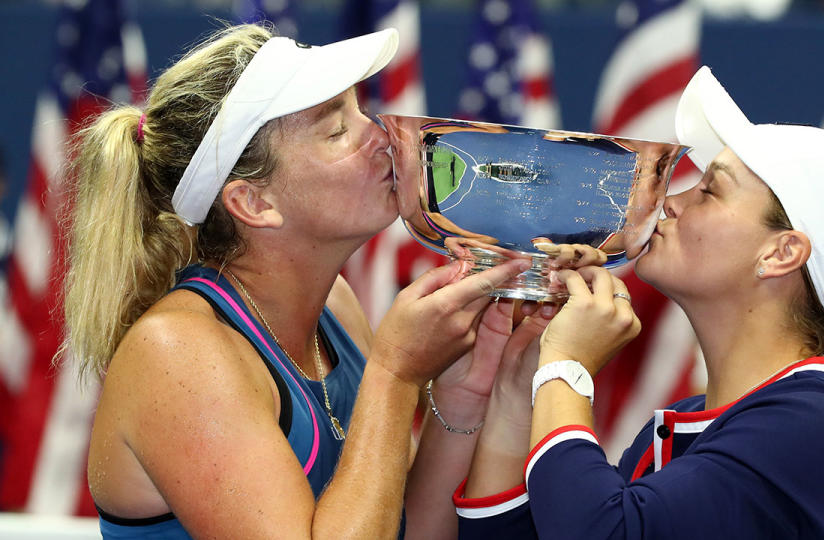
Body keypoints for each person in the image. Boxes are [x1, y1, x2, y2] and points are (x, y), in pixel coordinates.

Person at [62, 23, 536, 539]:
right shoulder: (174, 352)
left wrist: (465, 389)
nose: (382, 135)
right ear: (254, 203)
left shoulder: (335, 304)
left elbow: (409, 531)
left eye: (360, 110)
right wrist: (395, 374)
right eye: (336, 131)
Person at [452, 66, 824, 539]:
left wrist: (566, 367)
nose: (672, 201)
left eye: (709, 190)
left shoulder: (819, 422)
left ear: (780, 253)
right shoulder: (698, 421)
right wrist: (526, 373)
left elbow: (600, 533)